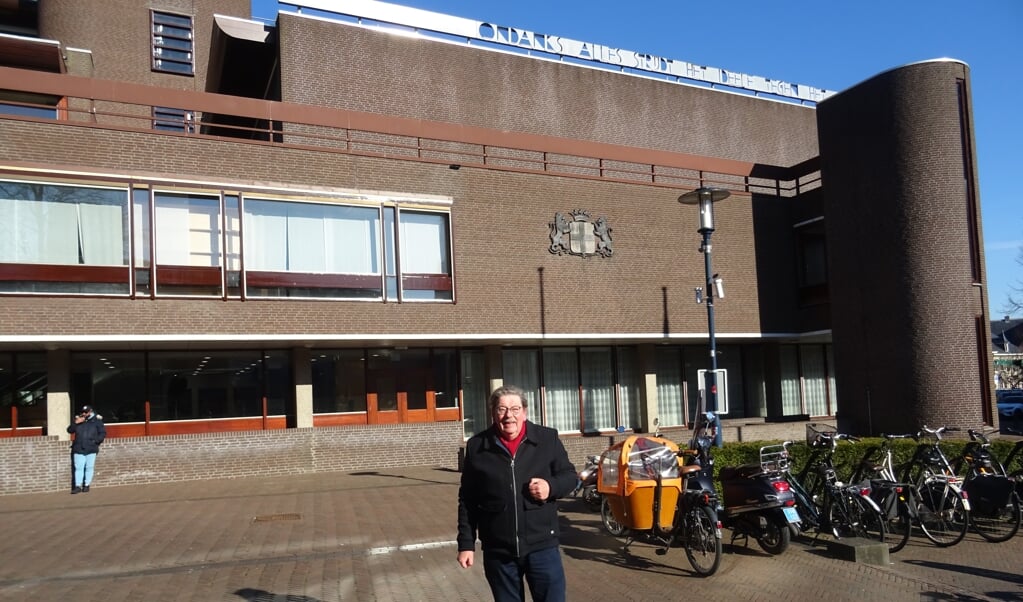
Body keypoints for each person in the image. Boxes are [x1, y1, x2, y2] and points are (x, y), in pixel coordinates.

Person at [457, 385, 577, 602]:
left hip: (542, 546)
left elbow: (570, 477)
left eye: (514, 408)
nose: (508, 416)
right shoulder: (477, 446)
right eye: (501, 409)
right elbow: (468, 499)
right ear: (493, 413)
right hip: (498, 550)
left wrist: (551, 487)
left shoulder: (546, 439)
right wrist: (466, 544)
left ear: (524, 411)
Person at [67, 404, 106, 494]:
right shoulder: (79, 420)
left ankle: (87, 485)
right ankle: (77, 486)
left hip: (91, 448)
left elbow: (102, 433)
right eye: (83, 412)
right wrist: (76, 423)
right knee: (79, 467)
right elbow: (69, 430)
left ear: (90, 412)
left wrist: (96, 441)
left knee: (89, 467)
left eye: (86, 412)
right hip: (78, 447)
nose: (84, 414)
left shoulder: (97, 421)